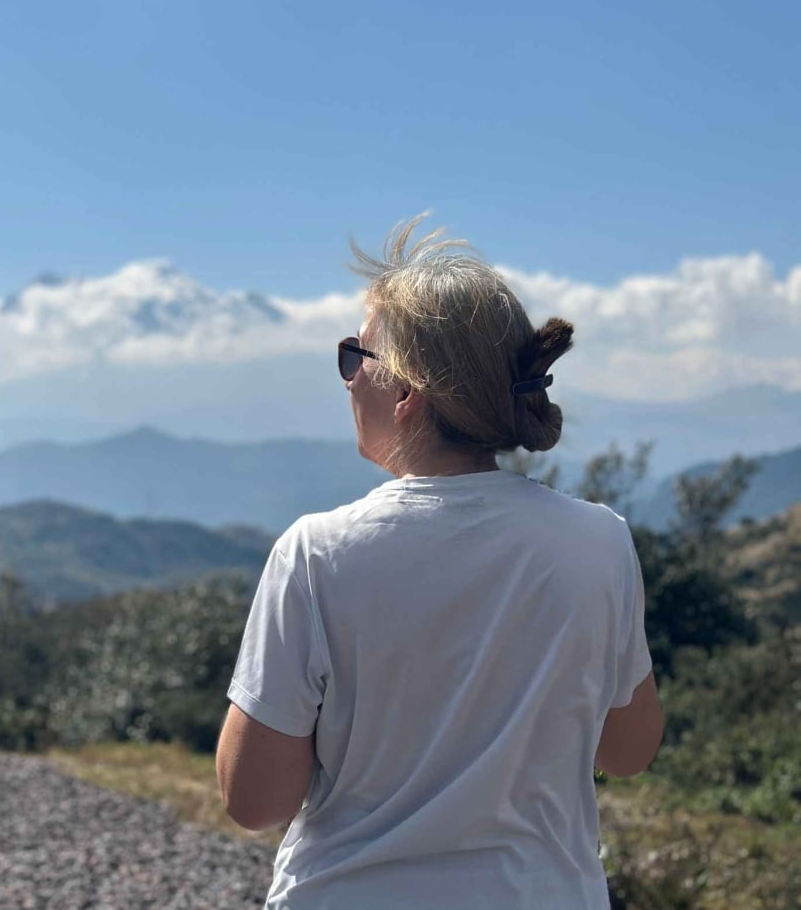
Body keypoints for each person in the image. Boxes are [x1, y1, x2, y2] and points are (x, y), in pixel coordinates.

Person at [216, 217, 662, 909]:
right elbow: (628, 751)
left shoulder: (316, 554)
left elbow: (253, 799)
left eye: (352, 356)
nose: (345, 380)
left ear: (405, 393)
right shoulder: (599, 542)